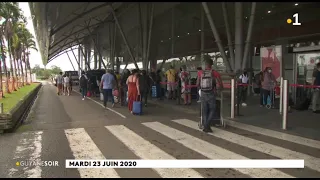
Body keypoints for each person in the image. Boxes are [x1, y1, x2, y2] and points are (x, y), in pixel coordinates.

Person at [197, 58, 223, 133]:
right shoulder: (215, 73)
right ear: (211, 64)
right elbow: (220, 84)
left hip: (203, 93)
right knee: (212, 109)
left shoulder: (200, 72)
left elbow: (197, 84)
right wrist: (220, 89)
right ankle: (207, 125)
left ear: (205, 64)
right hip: (211, 93)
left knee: (205, 111)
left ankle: (206, 126)